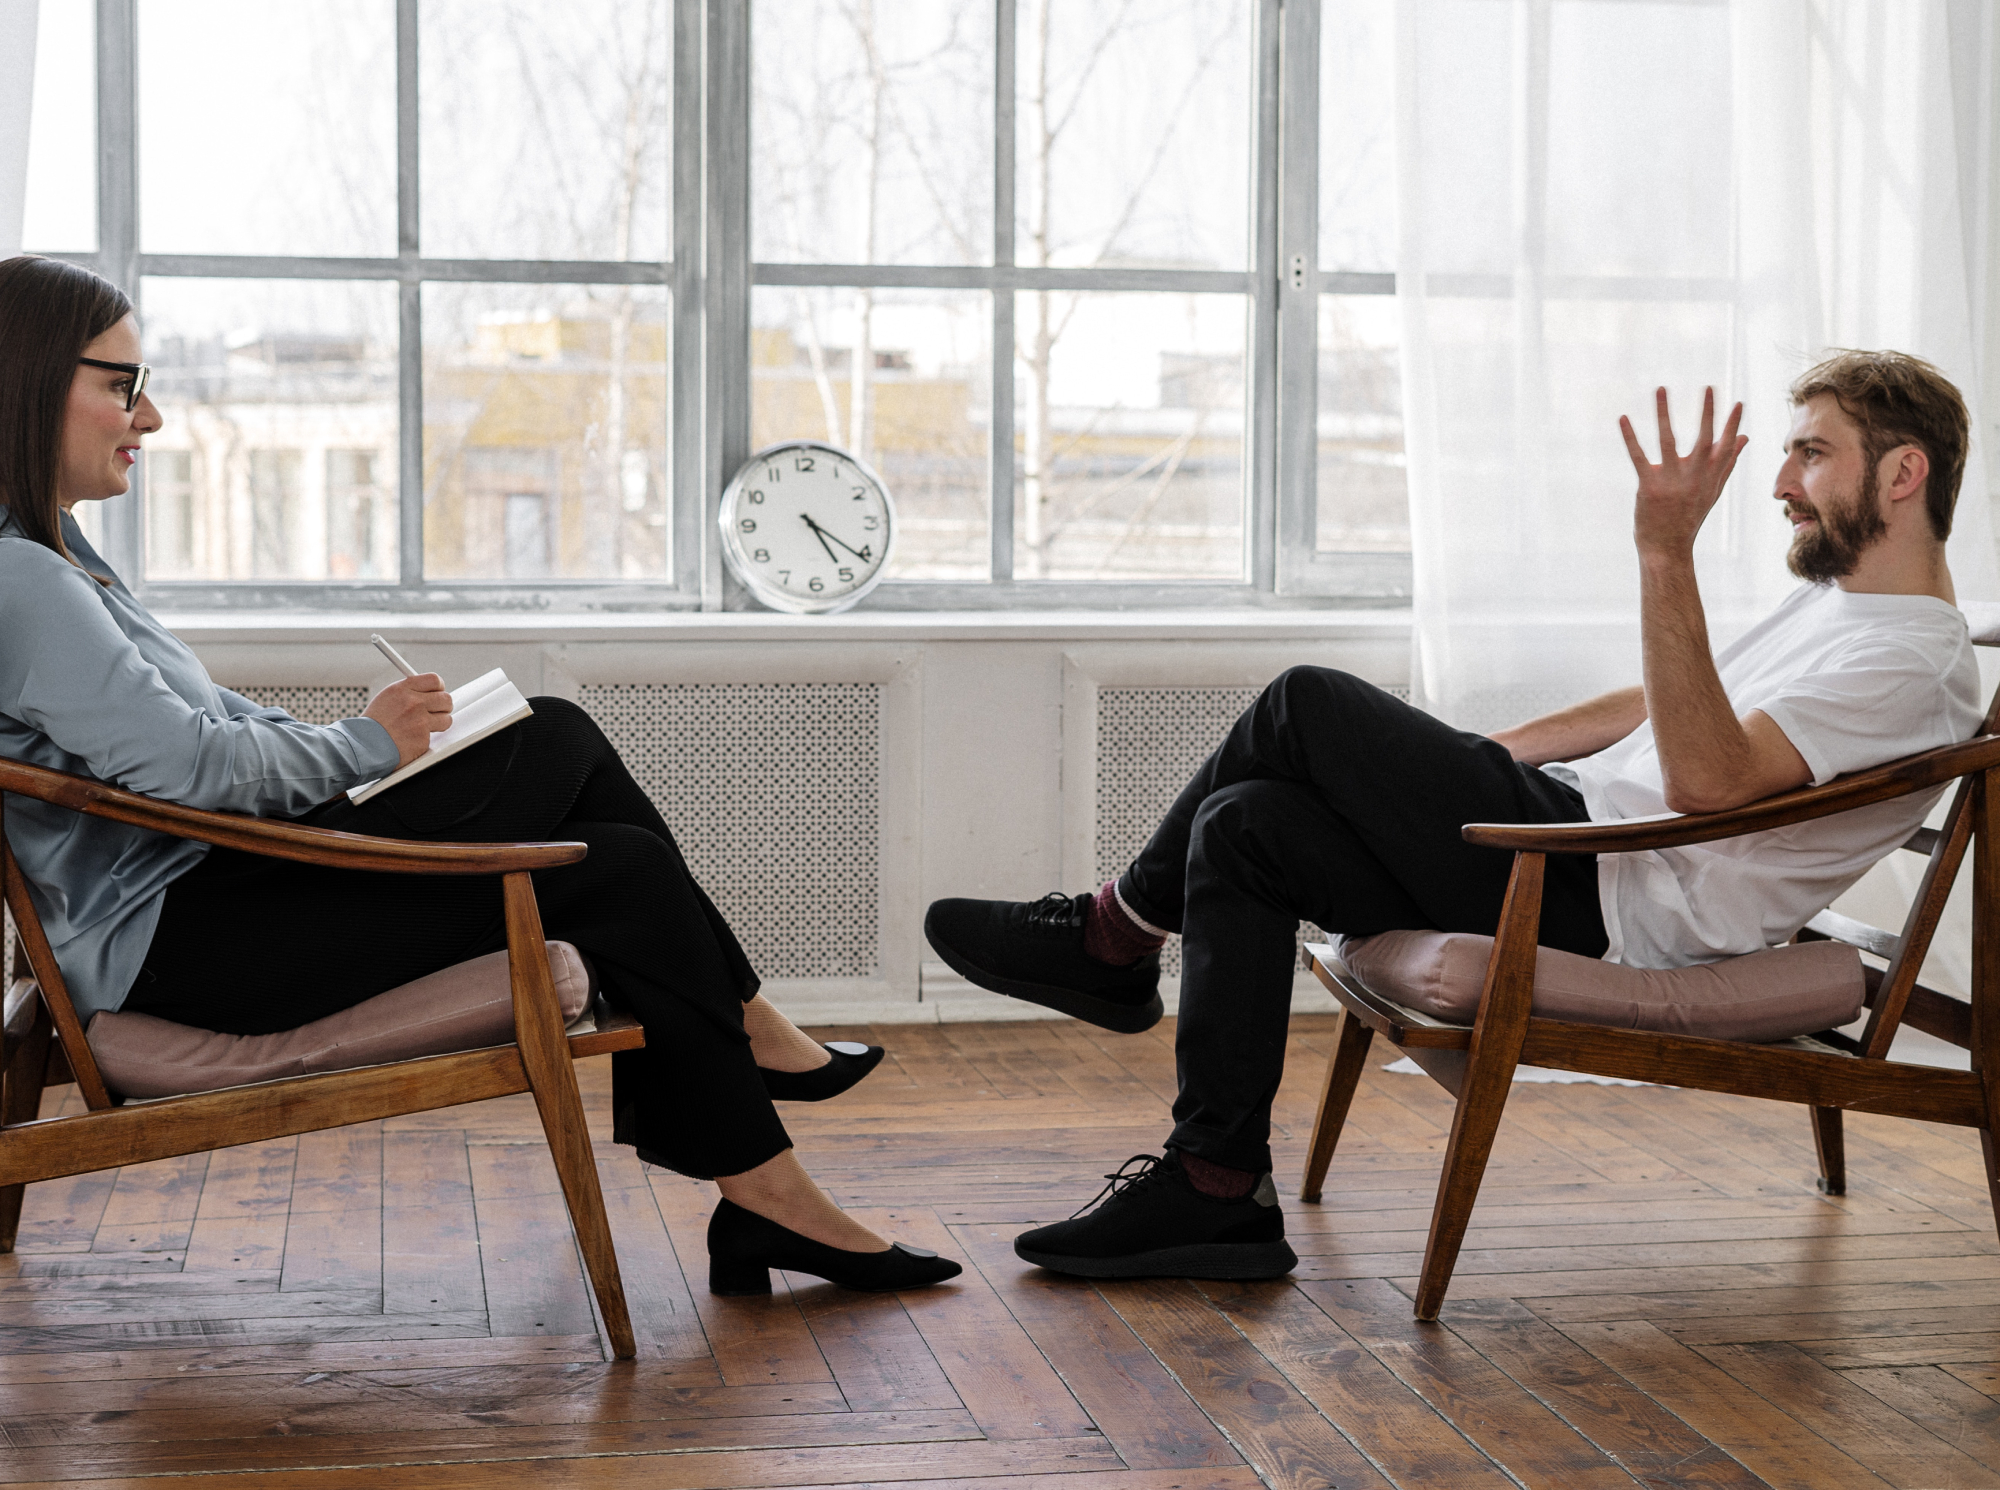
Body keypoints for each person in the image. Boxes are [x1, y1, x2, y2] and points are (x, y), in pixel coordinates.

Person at [0, 254, 959, 1297]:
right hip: (187, 942)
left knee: (577, 778)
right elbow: (188, 766)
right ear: (31, 381)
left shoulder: (58, 561)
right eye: (122, 385)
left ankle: (764, 1182)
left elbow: (202, 725)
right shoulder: (23, 581)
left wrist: (357, 743)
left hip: (210, 897)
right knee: (584, 795)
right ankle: (754, 1094)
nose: (150, 418)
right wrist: (366, 747)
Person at [927, 350, 1981, 1282]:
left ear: (1901, 472)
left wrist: (1663, 554)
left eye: (1809, 453)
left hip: (1605, 893)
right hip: (1574, 834)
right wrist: (1479, 760)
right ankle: (1215, 1184)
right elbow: (1663, 701)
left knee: (1304, 700)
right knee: (1243, 823)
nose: (1780, 484)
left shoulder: (1906, 661)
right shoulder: (1841, 607)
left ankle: (1111, 937)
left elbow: (1706, 782)